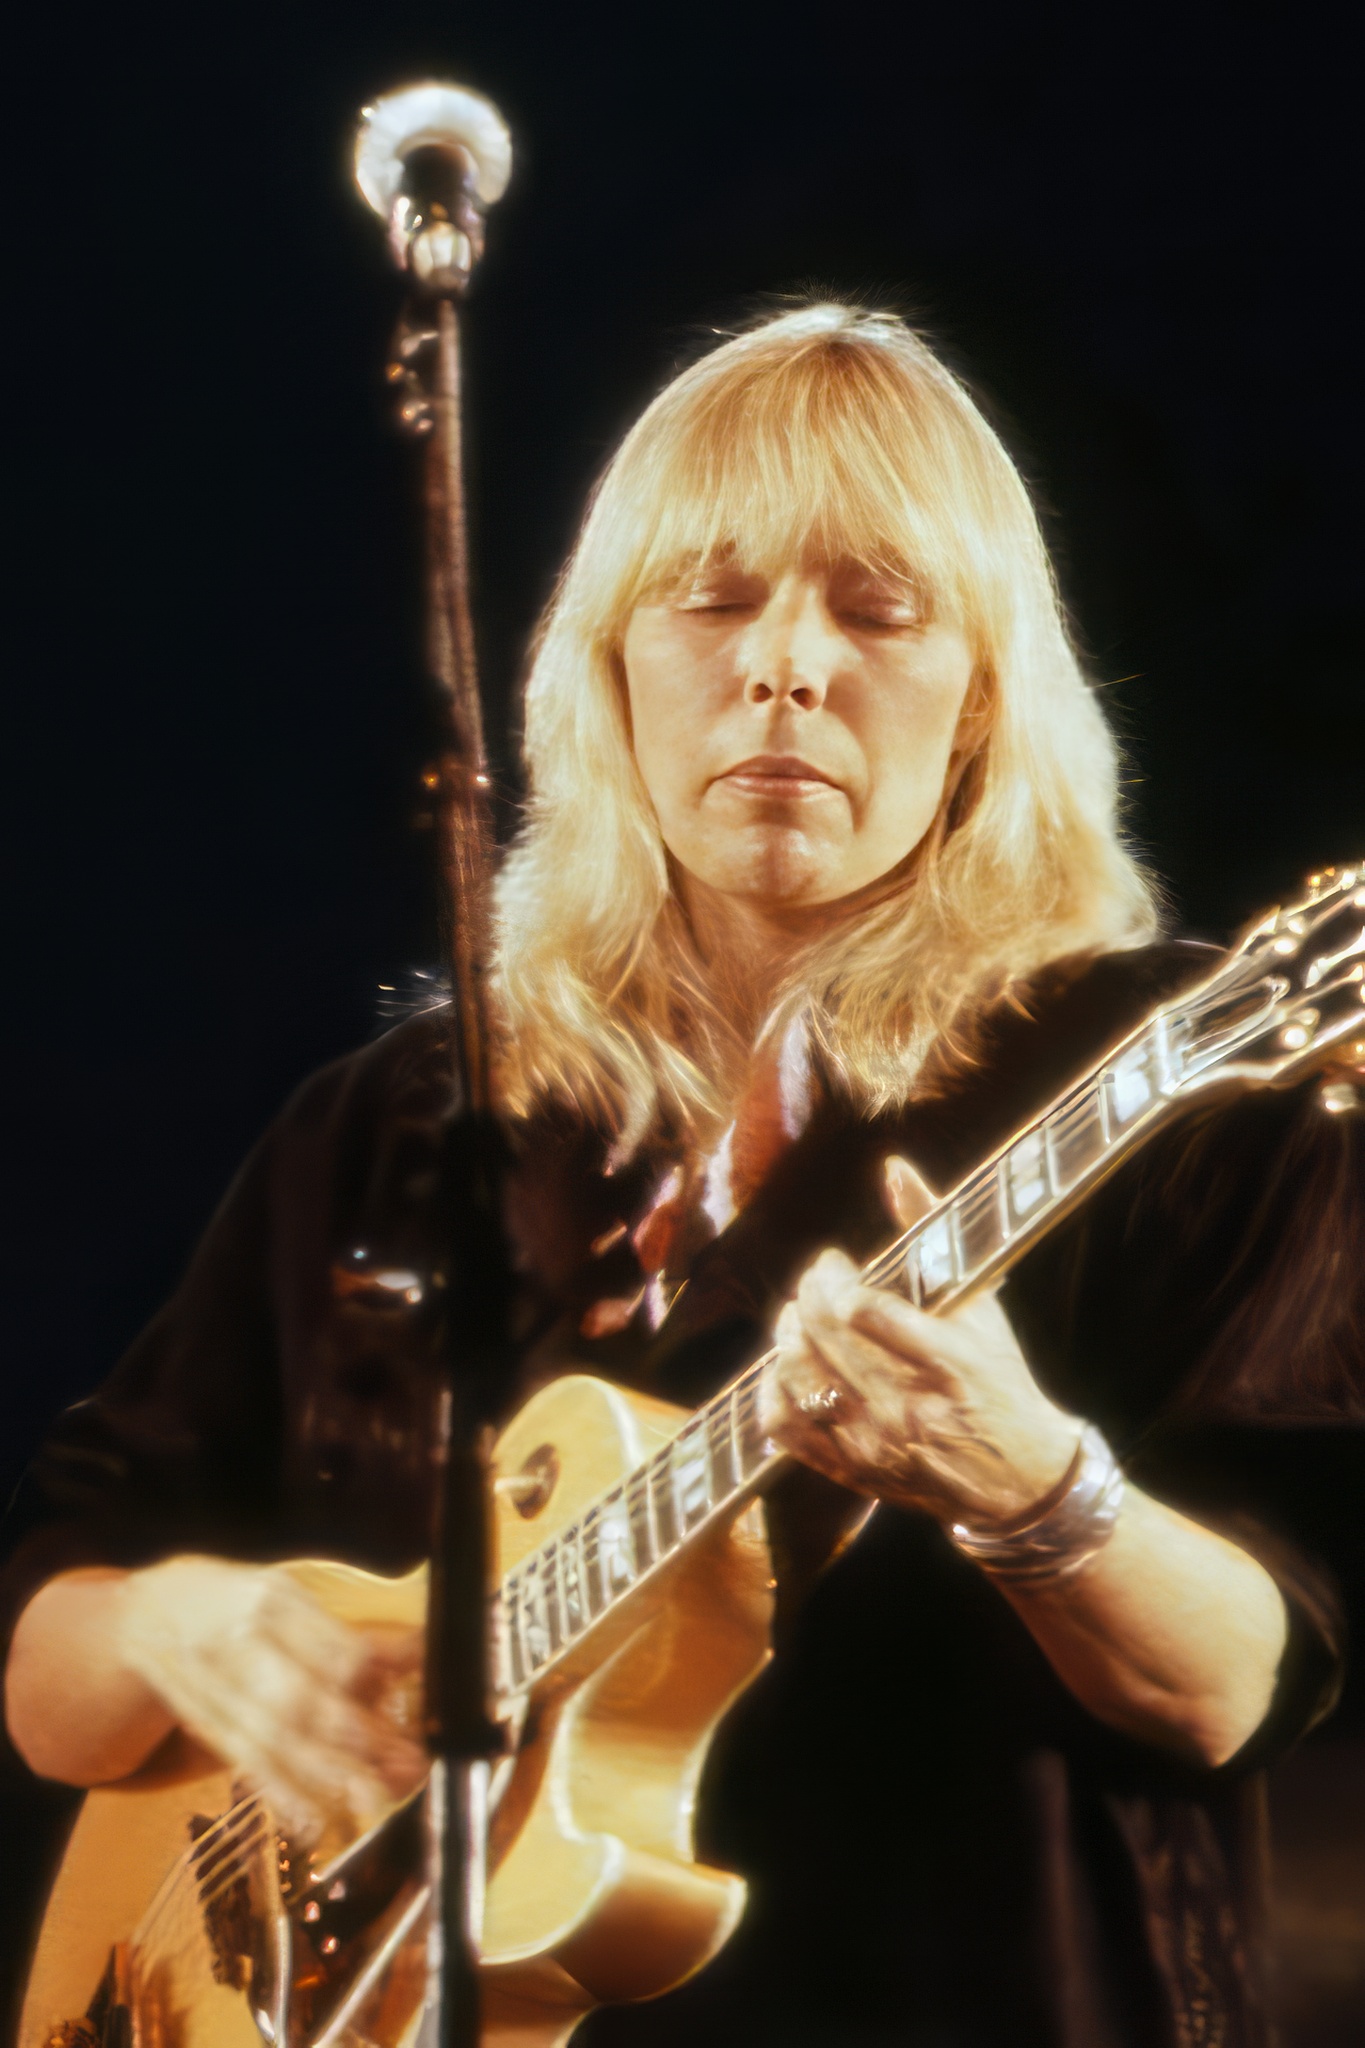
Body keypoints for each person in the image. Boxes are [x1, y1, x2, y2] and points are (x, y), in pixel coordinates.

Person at [4, 305, 1362, 2048]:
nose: (783, 666)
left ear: (982, 704)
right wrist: (182, 1624)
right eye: (711, 601)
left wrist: (1029, 1492)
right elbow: (51, 1681)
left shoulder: (1161, 1078)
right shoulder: (406, 1119)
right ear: (605, 671)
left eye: (877, 610)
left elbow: (1237, 1681)